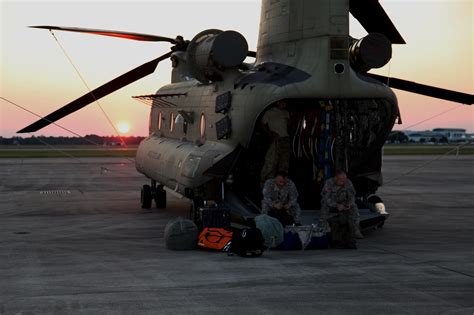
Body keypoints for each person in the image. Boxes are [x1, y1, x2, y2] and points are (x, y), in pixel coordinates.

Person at [320, 170, 362, 249]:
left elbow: (352, 196)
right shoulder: (329, 183)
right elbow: (326, 199)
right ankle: (325, 229)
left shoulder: (348, 182)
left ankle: (355, 229)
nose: (343, 182)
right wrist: (336, 205)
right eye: (341, 180)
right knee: (324, 208)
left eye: (344, 180)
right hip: (331, 203)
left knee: (354, 208)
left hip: (344, 202)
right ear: (335, 178)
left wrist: (349, 203)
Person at [260, 100, 290, 186]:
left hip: (286, 139)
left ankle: (282, 184)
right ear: (278, 103)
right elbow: (262, 124)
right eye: (283, 102)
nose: (285, 104)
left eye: (285, 103)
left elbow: (288, 124)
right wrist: (269, 133)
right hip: (276, 139)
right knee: (271, 162)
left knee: (284, 163)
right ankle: (265, 185)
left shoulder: (286, 113)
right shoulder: (270, 112)